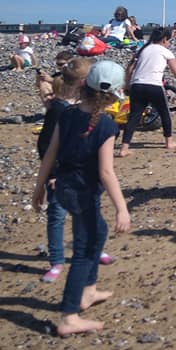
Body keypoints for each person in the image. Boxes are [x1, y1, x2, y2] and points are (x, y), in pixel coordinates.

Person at [32, 60, 131, 337]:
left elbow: (50, 154)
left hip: (63, 187)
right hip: (82, 193)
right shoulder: (106, 126)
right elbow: (106, 172)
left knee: (98, 231)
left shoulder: (67, 113)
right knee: (84, 252)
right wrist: (122, 208)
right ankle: (69, 316)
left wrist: (39, 187)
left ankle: (88, 290)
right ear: (113, 96)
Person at [36, 57, 114, 282]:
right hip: (61, 176)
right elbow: (45, 145)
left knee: (89, 216)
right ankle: (57, 261)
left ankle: (94, 249)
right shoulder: (60, 109)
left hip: (84, 176)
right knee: (57, 216)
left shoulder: (85, 108)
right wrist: (51, 176)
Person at [119, 26, 176, 156]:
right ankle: (169, 142)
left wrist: (127, 85)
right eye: (169, 40)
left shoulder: (142, 49)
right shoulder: (165, 52)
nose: (169, 43)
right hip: (154, 86)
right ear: (165, 39)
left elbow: (129, 69)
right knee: (164, 112)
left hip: (137, 85)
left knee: (134, 116)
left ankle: (124, 148)